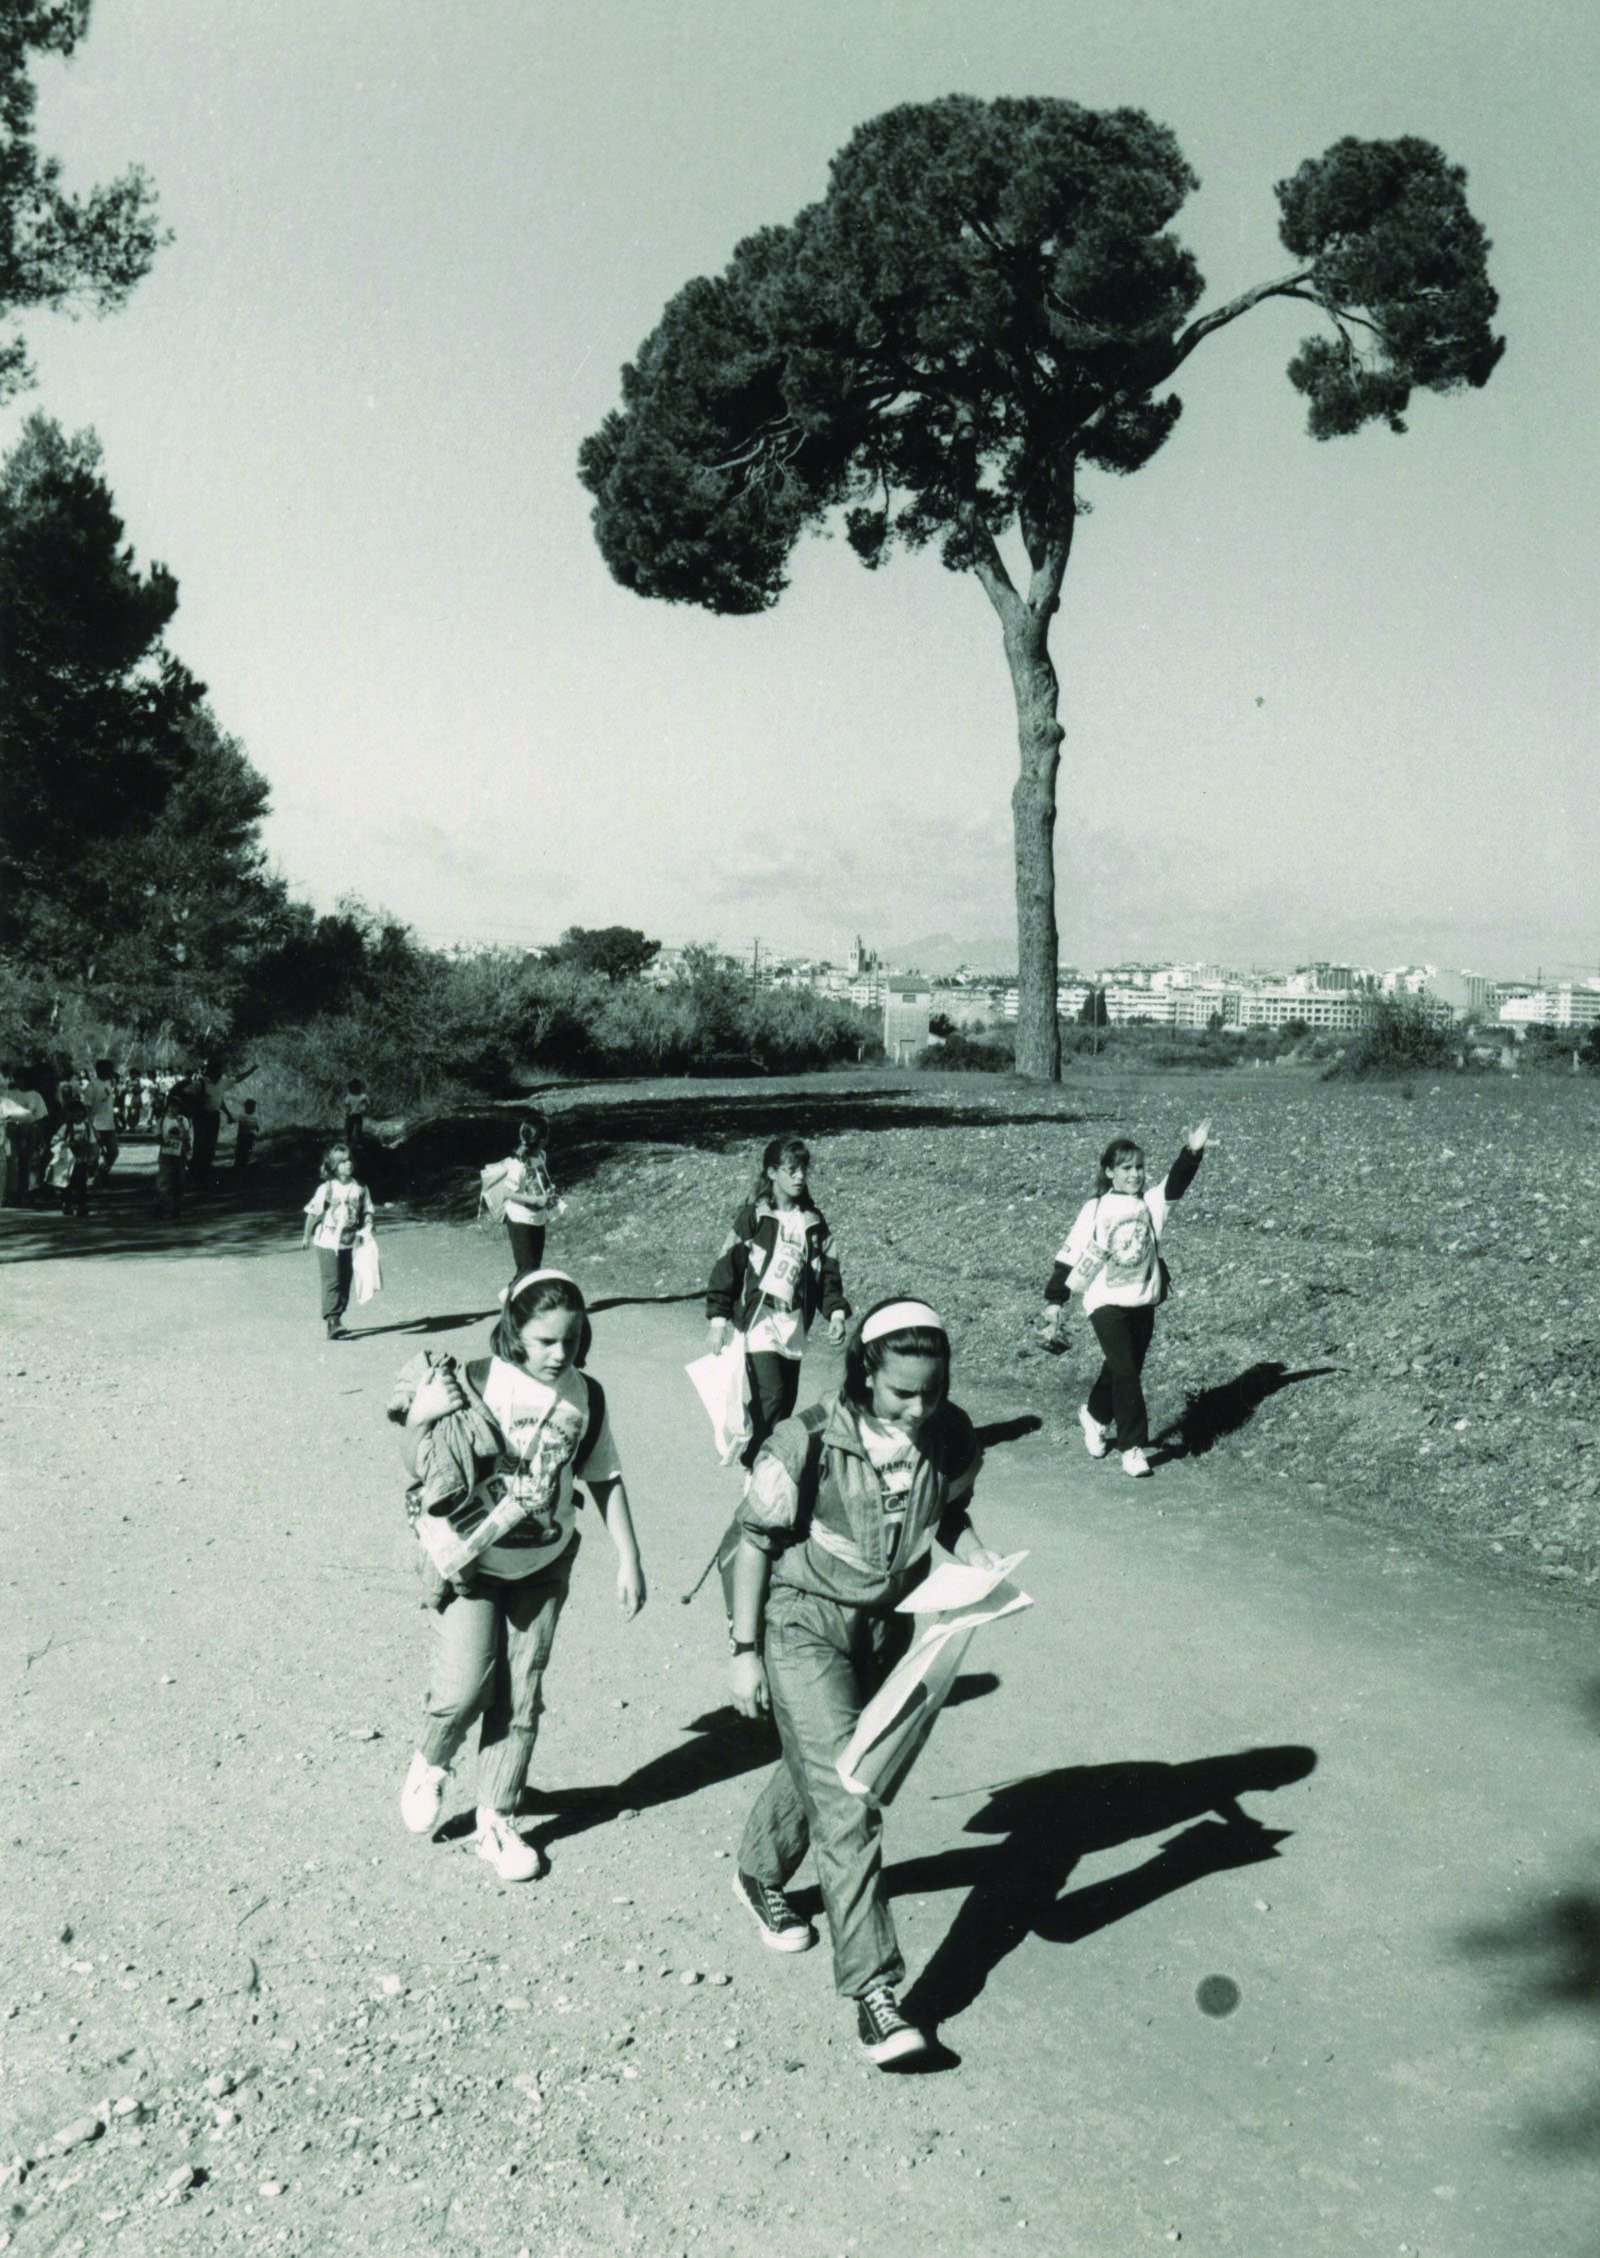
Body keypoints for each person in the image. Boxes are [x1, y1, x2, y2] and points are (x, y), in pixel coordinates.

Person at [727, 1296, 1003, 2068]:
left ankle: (758, 1870)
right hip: (802, 1620)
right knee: (848, 1798)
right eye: (900, 1393)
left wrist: (978, 1559)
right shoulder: (805, 1438)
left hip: (888, 1628)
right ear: (864, 1373)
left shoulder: (951, 1437)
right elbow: (753, 1540)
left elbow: (950, 1512)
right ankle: (877, 1997)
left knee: (828, 1764)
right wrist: (744, 1649)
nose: (918, 1409)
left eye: (932, 1391)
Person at [389, 1270, 646, 1881]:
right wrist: (420, 1417)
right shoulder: (475, 1382)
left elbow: (604, 1478)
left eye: (572, 1339)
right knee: (465, 1687)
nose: (560, 1354)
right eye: (545, 1341)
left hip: (543, 1564)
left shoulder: (588, 1397)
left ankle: (496, 1822)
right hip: (470, 1562)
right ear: (513, 1331)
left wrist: (628, 1556)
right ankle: (431, 1760)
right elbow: (420, 1466)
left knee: (521, 1693)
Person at [1043, 1119, 1211, 1479]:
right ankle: (1132, 1447)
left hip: (1143, 1299)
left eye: (1139, 1167)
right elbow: (1070, 1255)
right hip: (1104, 1302)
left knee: (1125, 1369)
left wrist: (1192, 1152)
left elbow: (1176, 1183)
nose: (1135, 1175)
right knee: (1125, 1371)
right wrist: (1056, 1300)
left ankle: (1094, 1415)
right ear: (1109, 1172)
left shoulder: (1150, 1203)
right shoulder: (1096, 1209)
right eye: (1126, 1168)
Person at [705, 1136, 849, 1470]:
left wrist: (836, 1313)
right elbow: (726, 1265)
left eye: (804, 1170)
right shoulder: (755, 1217)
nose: (800, 1177)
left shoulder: (813, 1222)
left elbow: (828, 1271)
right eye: (791, 1170)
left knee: (784, 1405)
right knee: (771, 1398)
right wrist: (718, 1320)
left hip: (793, 1324)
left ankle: (764, 1461)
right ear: (772, 1172)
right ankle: (755, 1467)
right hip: (759, 1321)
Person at [300, 1141, 375, 1340]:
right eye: (342, 1162)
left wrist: (368, 1225)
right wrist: (306, 1236)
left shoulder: (360, 1188)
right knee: (332, 1279)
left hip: (348, 1242)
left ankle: (338, 1315)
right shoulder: (326, 1189)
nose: (347, 1164)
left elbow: (367, 1211)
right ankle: (332, 1321)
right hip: (326, 1241)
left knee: (344, 1279)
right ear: (333, 1166)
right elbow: (313, 1214)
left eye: (350, 1160)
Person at [47, 1087, 99, 1217]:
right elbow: (55, 1140)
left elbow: (93, 1143)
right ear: (70, 1114)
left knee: (81, 1183)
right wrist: (65, 1144)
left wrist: (93, 1157)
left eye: (81, 1112)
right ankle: (67, 1202)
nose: (79, 1115)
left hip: (81, 1160)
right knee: (67, 1183)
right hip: (68, 1161)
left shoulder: (87, 1128)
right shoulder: (66, 1127)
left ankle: (81, 1205)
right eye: (76, 1113)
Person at [152, 1084, 194, 1217]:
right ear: (167, 1106)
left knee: (179, 1179)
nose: (173, 1108)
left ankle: (175, 1206)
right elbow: (158, 1135)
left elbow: (186, 1137)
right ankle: (161, 1205)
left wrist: (182, 1129)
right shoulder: (162, 1120)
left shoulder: (183, 1120)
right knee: (164, 1180)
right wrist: (162, 1140)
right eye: (171, 1105)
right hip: (166, 1153)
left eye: (176, 1106)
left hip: (179, 1153)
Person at [84, 1059, 120, 1183]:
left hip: (109, 1125)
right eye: (110, 1069)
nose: (112, 1072)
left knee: (113, 1152)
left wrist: (116, 1120)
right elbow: (87, 1108)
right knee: (94, 1156)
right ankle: (90, 1178)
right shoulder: (92, 1086)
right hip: (96, 1126)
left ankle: (102, 1172)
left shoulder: (110, 1083)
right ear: (102, 1070)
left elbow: (110, 1104)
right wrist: (90, 1127)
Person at [233, 1096, 260, 1172]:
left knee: (245, 1150)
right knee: (241, 1150)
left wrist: (257, 1128)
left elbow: (257, 1126)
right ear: (246, 1107)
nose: (253, 1109)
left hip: (247, 1136)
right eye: (252, 1107)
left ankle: (242, 1164)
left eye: (254, 1107)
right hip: (244, 1136)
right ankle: (239, 1164)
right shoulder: (242, 1116)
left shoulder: (253, 1117)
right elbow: (235, 1119)